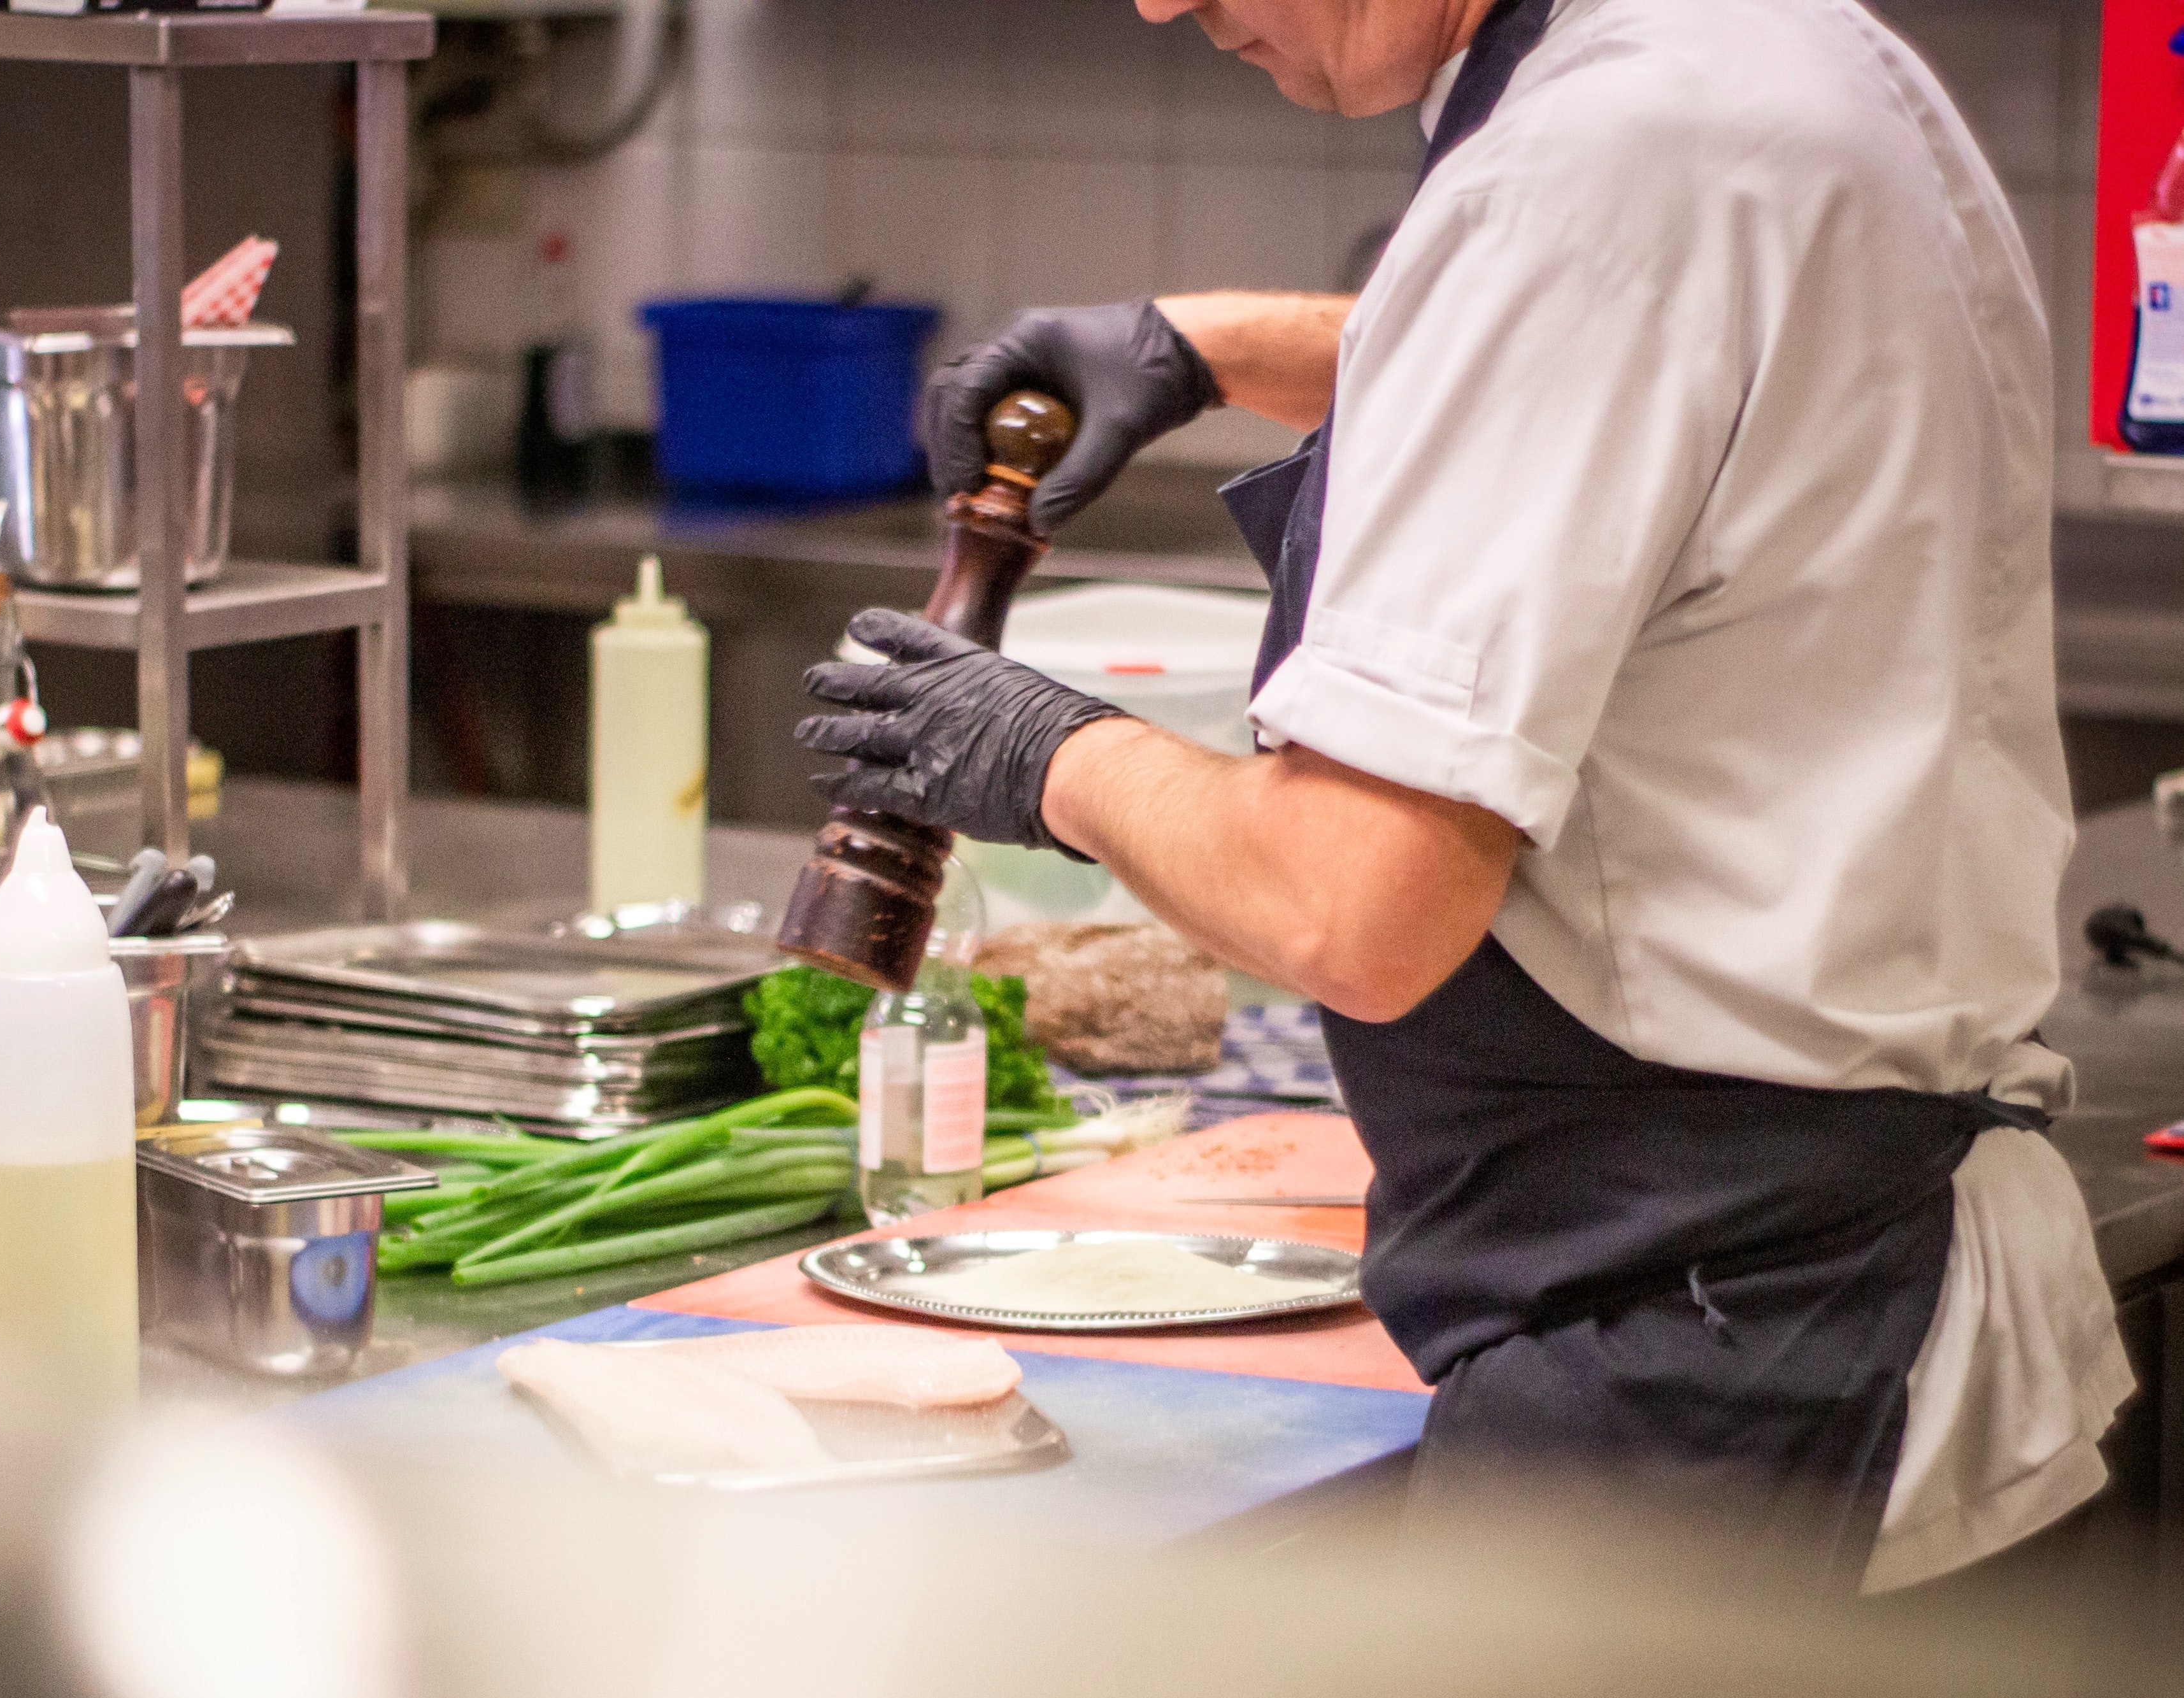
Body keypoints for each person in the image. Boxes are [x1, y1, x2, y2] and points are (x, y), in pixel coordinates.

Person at [794, 0, 2135, 1592]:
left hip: (1697, 1365)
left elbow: (1349, 908)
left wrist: (1043, 753)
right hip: (1826, 1287)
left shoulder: (1586, 171)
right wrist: (1207, 350)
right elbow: (1616, 358)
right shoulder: (1762, 50)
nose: (1157, 1)